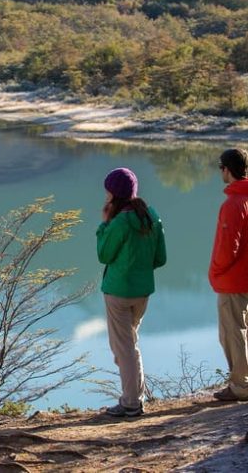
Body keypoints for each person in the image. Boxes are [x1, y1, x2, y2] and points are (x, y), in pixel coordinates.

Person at [97, 167, 167, 417]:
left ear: (114, 194)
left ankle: (131, 403)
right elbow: (160, 258)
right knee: (130, 344)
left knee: (124, 349)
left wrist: (104, 225)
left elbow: (103, 255)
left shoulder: (119, 222)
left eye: (107, 191)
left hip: (118, 293)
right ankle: (136, 395)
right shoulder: (151, 216)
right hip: (142, 292)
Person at [209, 149, 248, 402]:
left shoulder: (233, 203)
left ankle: (240, 386)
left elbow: (227, 247)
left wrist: (216, 271)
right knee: (241, 329)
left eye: (220, 167)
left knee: (232, 332)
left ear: (227, 170)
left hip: (233, 280)